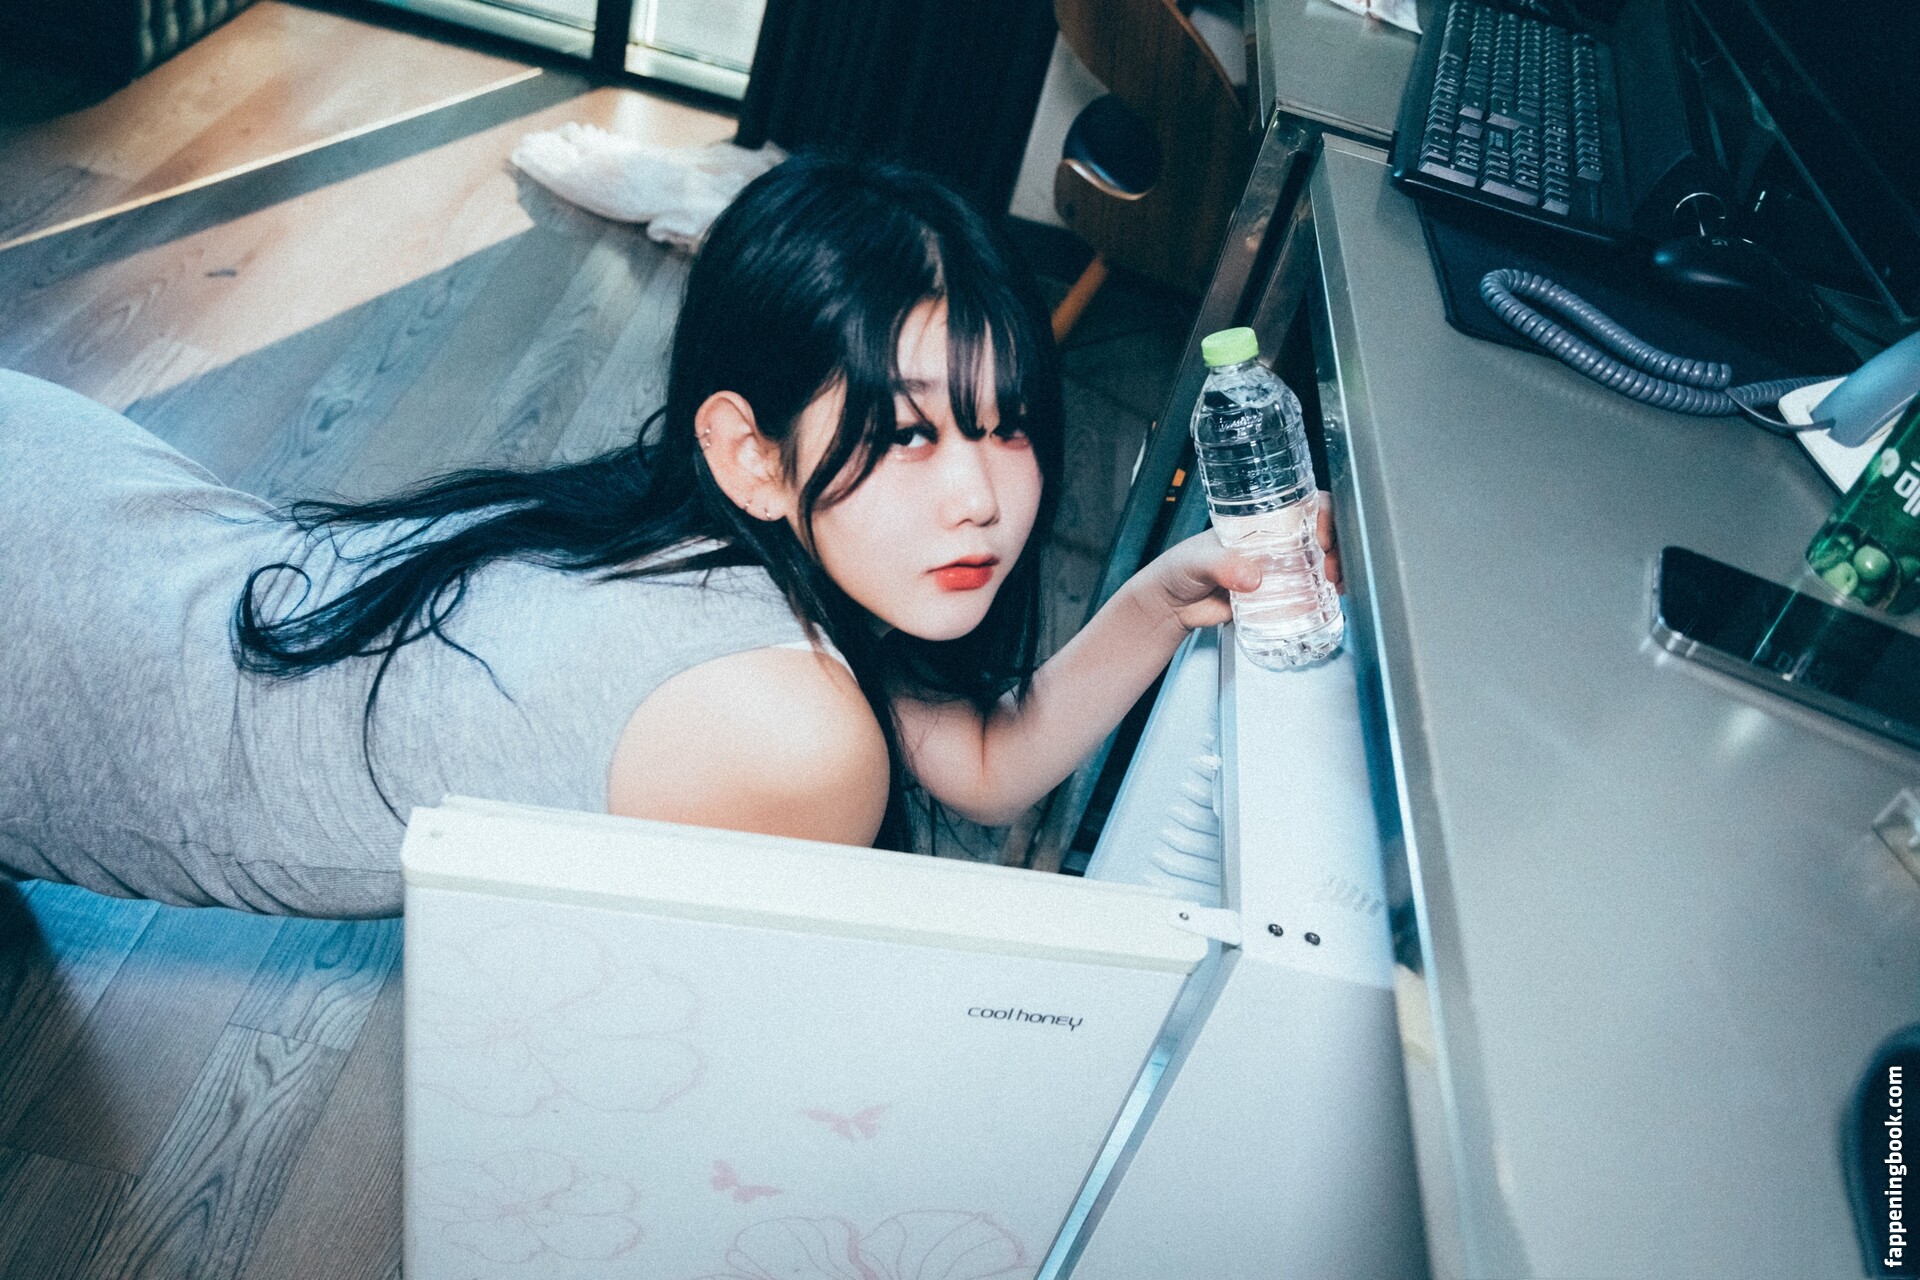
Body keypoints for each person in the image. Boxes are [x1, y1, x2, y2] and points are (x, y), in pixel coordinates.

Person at [0, 154, 1334, 919]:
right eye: (909, 434)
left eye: (1008, 425)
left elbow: (982, 763)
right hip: (48, 647)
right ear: (750, 453)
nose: (981, 496)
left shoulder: (739, 536)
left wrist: (1165, 597)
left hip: (90, 511)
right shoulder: (789, 734)